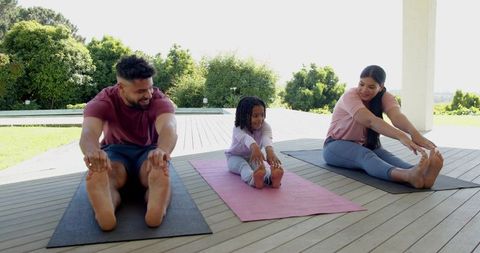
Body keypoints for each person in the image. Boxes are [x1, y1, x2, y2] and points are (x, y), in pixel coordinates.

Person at [79, 55, 177, 231]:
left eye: (150, 88)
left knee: (153, 168)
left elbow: (169, 128)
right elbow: (88, 132)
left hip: (149, 151)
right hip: (115, 151)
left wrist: (162, 150)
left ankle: (156, 209)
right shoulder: (104, 100)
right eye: (140, 91)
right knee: (110, 173)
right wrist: (93, 152)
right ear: (121, 88)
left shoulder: (159, 99)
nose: (148, 94)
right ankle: (105, 209)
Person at [323, 65, 443, 189]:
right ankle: (407, 176)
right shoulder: (350, 96)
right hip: (335, 145)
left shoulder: (385, 97)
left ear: (381, 87)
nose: (364, 90)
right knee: (365, 156)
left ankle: (424, 175)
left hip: (367, 145)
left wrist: (415, 135)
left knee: (389, 158)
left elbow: (397, 117)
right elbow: (370, 121)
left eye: (371, 87)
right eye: (361, 84)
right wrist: (402, 136)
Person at [225, 96, 284, 189]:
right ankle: (253, 179)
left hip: (254, 156)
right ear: (244, 116)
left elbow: (266, 138)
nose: (260, 119)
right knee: (243, 166)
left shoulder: (265, 126)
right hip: (234, 157)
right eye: (255, 116)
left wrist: (270, 152)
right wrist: (255, 147)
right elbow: (245, 138)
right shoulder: (238, 128)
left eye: (262, 115)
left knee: (261, 168)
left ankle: (271, 179)